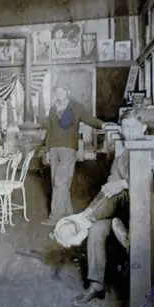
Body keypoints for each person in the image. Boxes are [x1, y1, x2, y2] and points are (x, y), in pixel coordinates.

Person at [72, 122, 154, 307]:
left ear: (143, 128)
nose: (129, 131)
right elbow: (110, 189)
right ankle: (96, 287)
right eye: (125, 127)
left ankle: (83, 220)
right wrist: (114, 185)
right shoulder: (121, 158)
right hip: (123, 213)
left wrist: (124, 184)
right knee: (96, 230)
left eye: (134, 126)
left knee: (121, 191)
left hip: (151, 213)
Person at [42, 86, 116, 227]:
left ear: (68, 92)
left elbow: (89, 119)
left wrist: (103, 125)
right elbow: (50, 130)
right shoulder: (53, 107)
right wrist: (47, 150)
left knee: (60, 181)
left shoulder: (76, 107)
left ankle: (56, 217)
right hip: (54, 149)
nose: (59, 93)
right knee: (58, 183)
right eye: (56, 91)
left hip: (69, 148)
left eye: (62, 90)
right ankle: (67, 214)